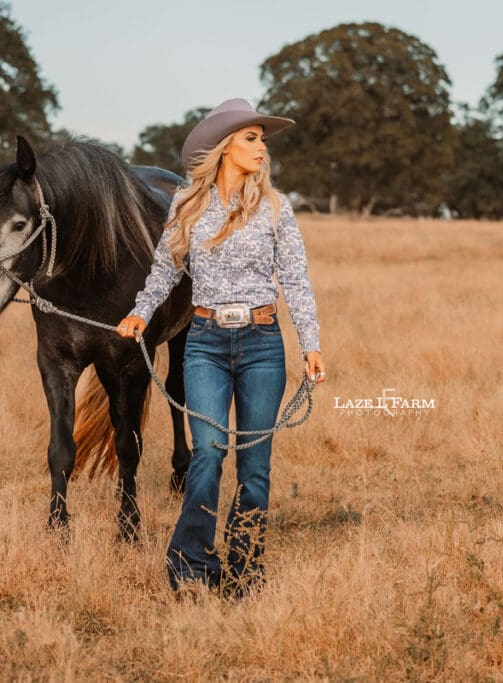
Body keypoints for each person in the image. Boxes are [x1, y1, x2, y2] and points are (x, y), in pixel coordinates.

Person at [116, 98, 326, 597]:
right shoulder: (187, 204)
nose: (261, 148)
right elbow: (166, 269)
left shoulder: (276, 206)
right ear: (224, 145)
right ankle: (191, 567)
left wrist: (311, 344)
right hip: (205, 344)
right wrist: (141, 312)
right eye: (251, 138)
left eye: (262, 139)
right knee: (208, 453)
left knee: (255, 465)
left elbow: (295, 278)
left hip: (262, 345)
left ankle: (245, 568)